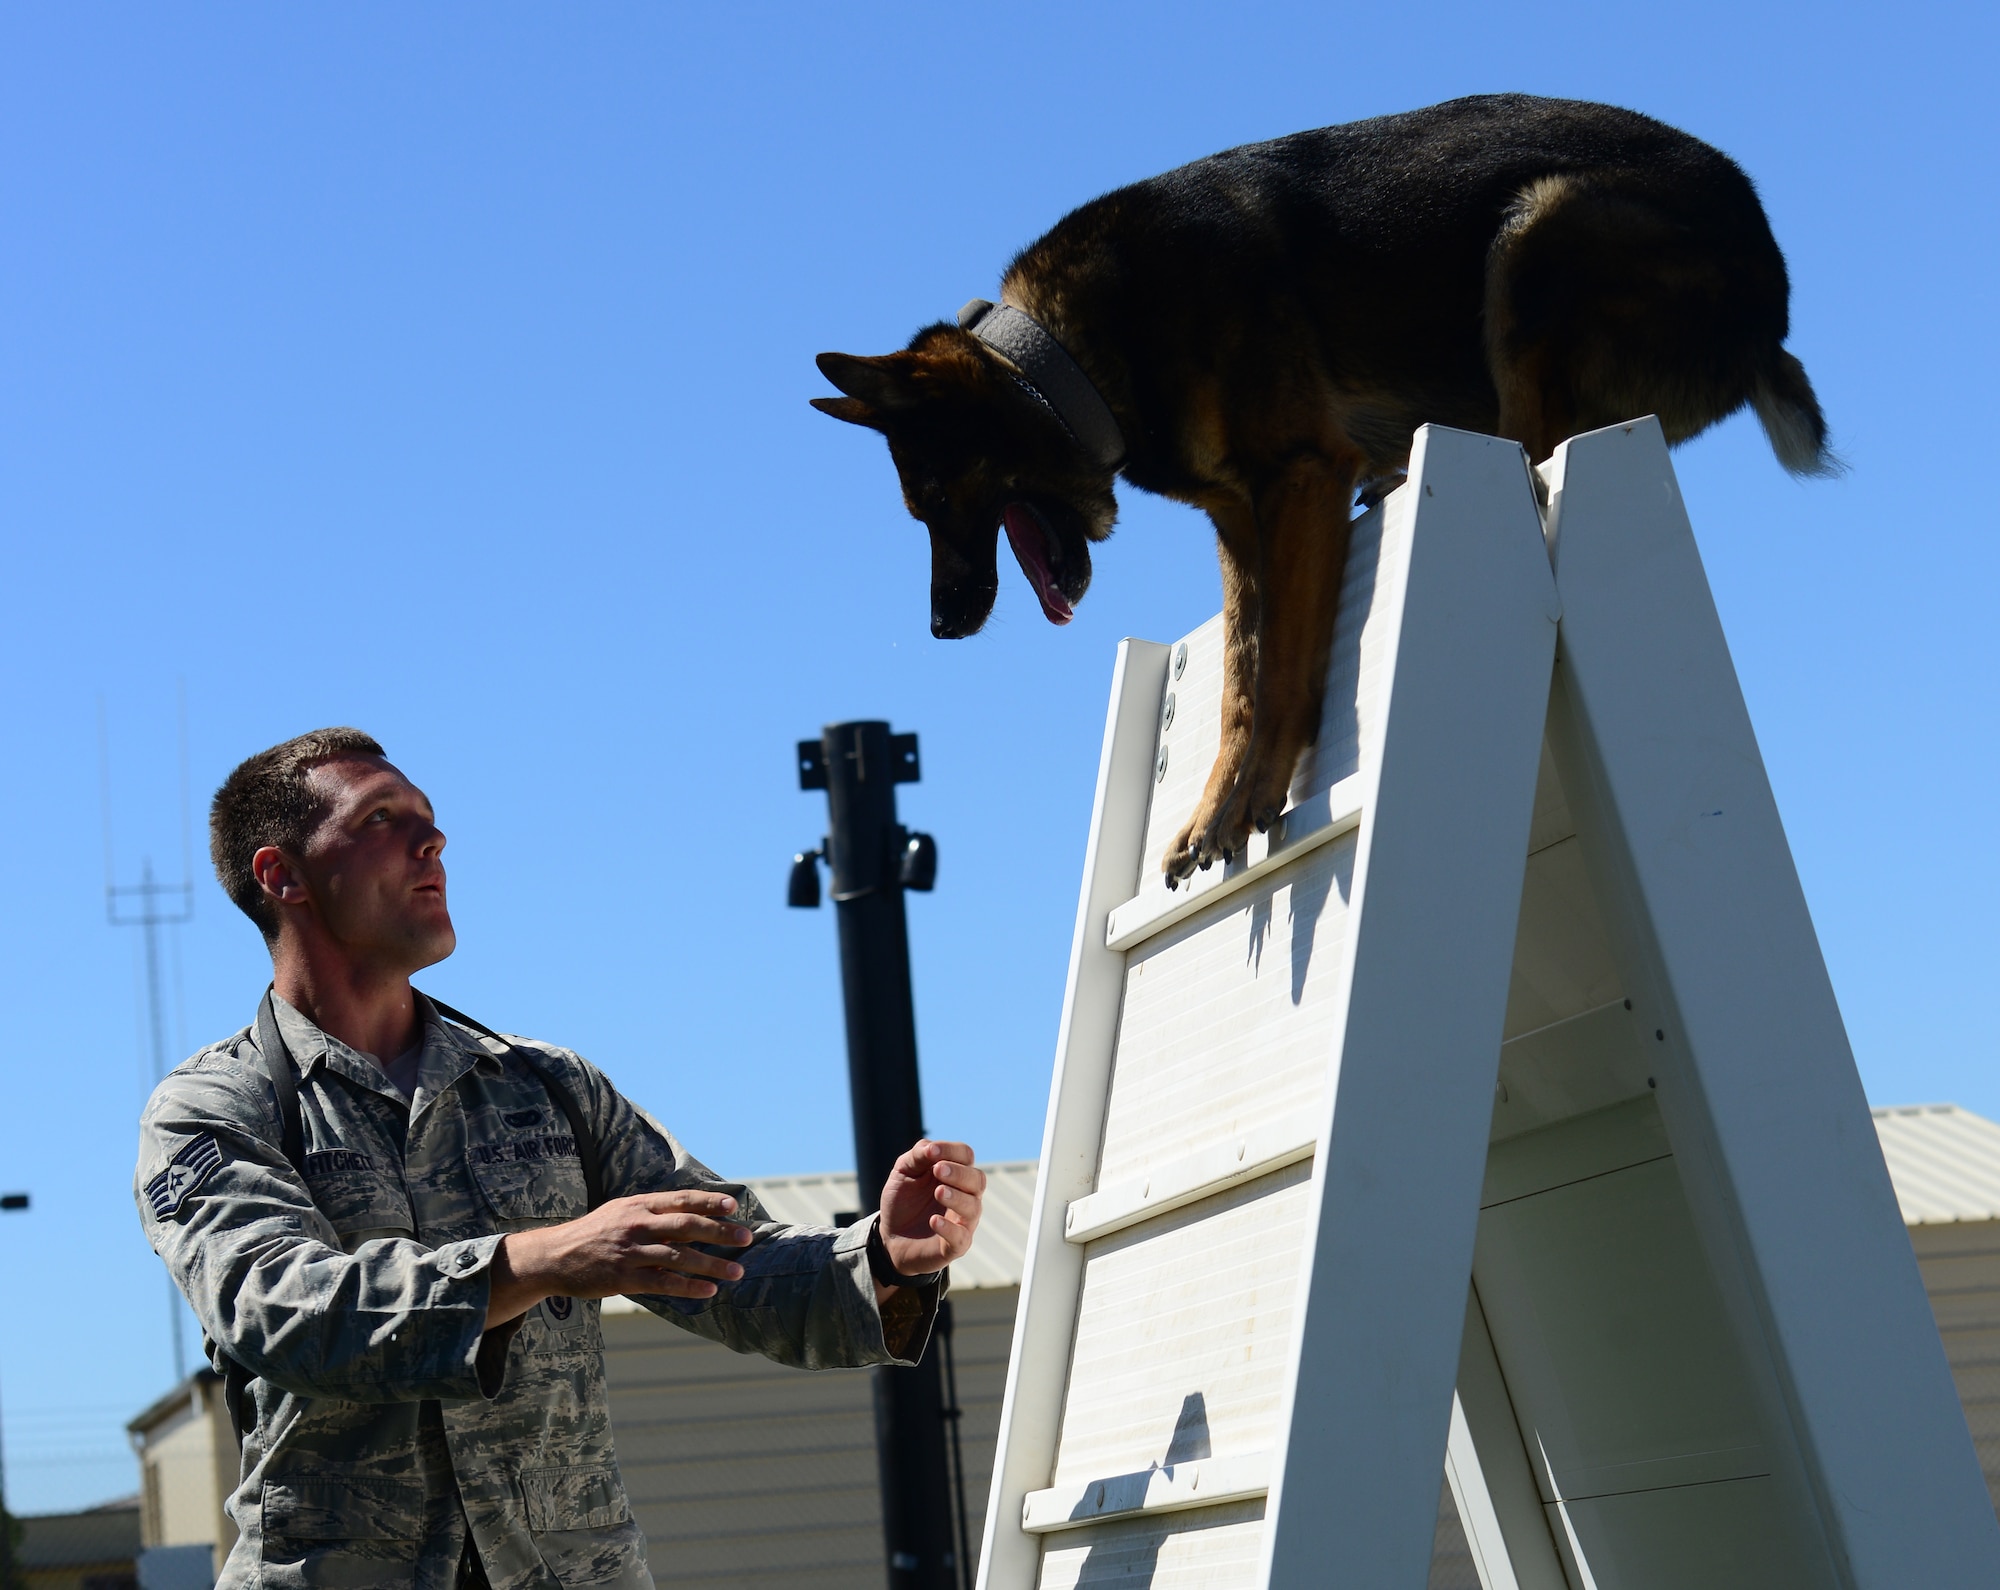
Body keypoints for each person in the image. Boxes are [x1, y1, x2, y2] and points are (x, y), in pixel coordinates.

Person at [134, 728, 985, 1590]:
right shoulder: (216, 1108)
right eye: (382, 819)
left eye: (428, 819)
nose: (432, 841)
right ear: (282, 876)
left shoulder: (549, 1086)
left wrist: (882, 1256)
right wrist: (546, 1258)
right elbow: (279, 1311)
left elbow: (728, 1261)